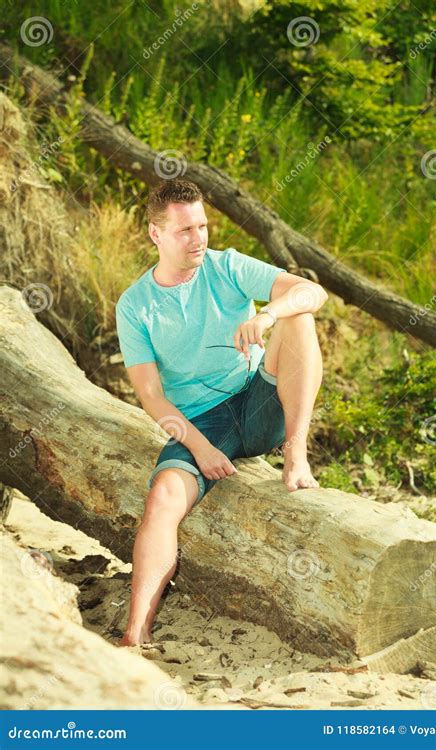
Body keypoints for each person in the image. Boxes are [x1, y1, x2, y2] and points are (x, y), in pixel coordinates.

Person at [115, 179, 328, 646]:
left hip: (258, 399)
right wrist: (200, 446)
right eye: (185, 230)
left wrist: (267, 315)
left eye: (203, 226)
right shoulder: (135, 306)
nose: (198, 238)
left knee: (299, 317)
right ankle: (136, 633)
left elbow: (311, 292)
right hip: (201, 422)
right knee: (162, 500)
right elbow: (151, 396)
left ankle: (296, 454)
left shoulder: (226, 266)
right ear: (155, 234)